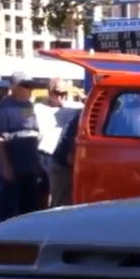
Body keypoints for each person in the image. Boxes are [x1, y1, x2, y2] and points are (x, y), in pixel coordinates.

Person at [0, 72, 43, 223]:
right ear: (14, 87)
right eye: (25, 86)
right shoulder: (4, 108)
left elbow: (34, 133)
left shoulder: (30, 106)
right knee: (7, 208)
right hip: (13, 168)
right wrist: (6, 167)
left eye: (30, 86)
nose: (30, 89)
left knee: (30, 209)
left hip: (30, 167)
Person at [34, 78, 83, 208]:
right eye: (57, 93)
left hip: (61, 158)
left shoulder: (76, 108)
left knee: (61, 197)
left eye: (64, 94)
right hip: (44, 155)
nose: (61, 98)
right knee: (42, 195)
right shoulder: (38, 109)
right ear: (50, 92)